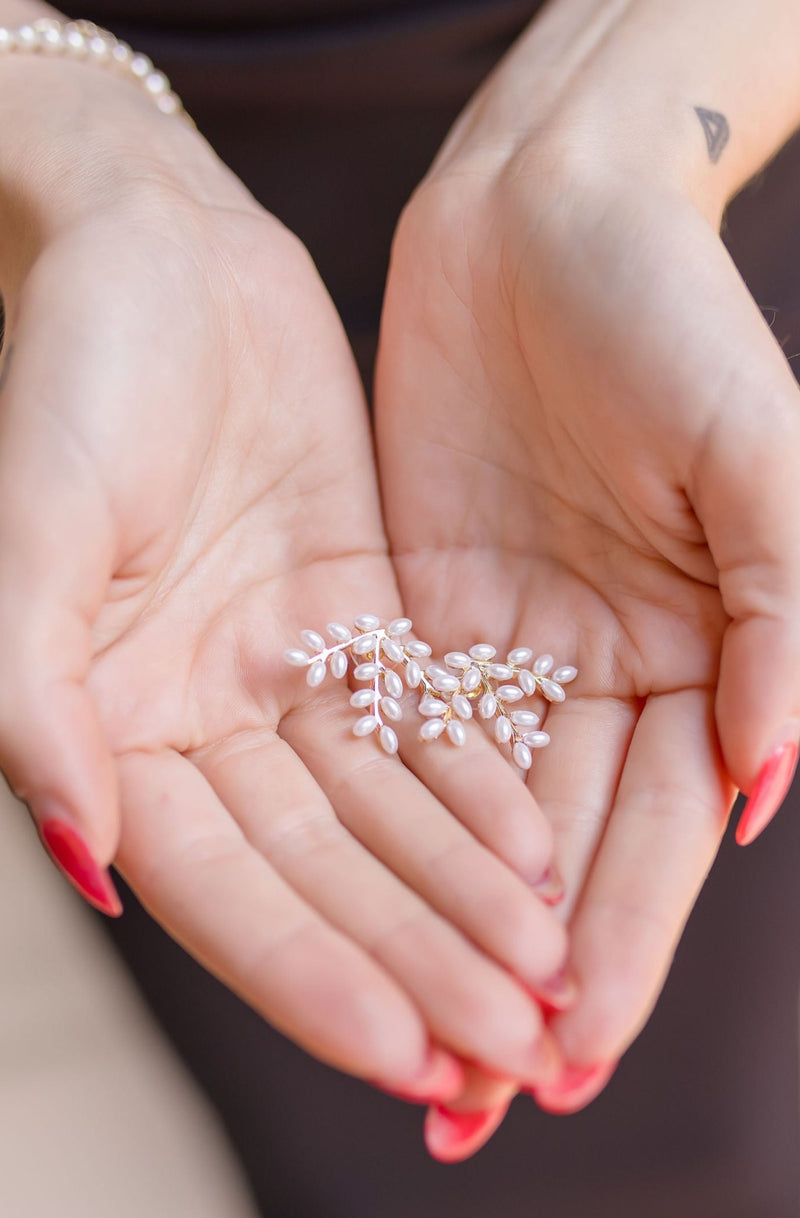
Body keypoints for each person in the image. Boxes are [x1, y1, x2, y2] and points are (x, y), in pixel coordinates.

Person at [0, 0, 798, 1206]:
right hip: (113, 333)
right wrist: (57, 137)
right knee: (365, 1106)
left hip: (654, 271)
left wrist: (620, 108)